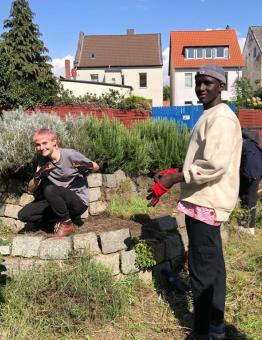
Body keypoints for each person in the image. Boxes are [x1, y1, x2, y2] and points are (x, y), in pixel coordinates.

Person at [147, 64, 242, 340]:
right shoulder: (210, 114)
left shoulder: (221, 118)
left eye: (208, 83)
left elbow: (213, 164)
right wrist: (174, 171)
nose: (201, 87)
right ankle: (214, 327)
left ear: (221, 86)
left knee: (202, 271)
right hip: (203, 200)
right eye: (199, 82)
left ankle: (202, 333)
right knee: (213, 268)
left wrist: (174, 179)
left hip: (207, 202)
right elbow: (201, 159)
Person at [18, 128, 99, 237]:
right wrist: (38, 176)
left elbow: (96, 166)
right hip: (57, 201)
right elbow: (31, 188)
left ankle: (66, 224)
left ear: (54, 142)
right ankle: (59, 221)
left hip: (77, 201)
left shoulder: (70, 155)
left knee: (50, 189)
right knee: (24, 214)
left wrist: (87, 166)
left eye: (44, 143)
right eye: (38, 145)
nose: (41, 148)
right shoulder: (42, 159)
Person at [239, 130, 262, 235]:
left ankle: (249, 227)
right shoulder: (255, 146)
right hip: (257, 173)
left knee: (247, 198)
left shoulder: (243, 143)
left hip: (249, 173)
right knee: (249, 198)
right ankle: (245, 224)